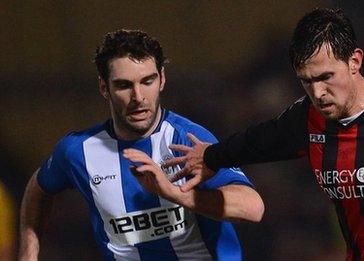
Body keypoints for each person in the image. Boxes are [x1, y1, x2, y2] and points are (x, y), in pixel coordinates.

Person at [164, 8, 364, 260]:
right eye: (306, 81)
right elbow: (260, 142)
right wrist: (212, 156)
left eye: (325, 77)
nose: (318, 93)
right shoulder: (307, 119)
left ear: (355, 61)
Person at [19, 29, 264, 261]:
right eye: (124, 85)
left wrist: (174, 194)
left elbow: (252, 207)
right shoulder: (78, 151)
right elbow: (39, 188)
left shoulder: (186, 139)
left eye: (147, 81)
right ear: (104, 87)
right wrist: (28, 254)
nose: (138, 97)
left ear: (162, 80)